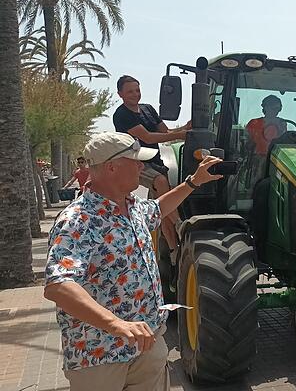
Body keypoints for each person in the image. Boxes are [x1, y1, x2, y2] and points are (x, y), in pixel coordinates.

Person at [43, 132, 222, 391]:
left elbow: (159, 209)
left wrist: (193, 182)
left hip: (147, 346)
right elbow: (59, 286)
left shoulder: (133, 207)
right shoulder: (77, 221)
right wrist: (117, 325)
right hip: (101, 356)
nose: (142, 166)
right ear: (111, 167)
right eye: (135, 160)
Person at [112, 75, 189, 261]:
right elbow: (147, 137)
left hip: (156, 161)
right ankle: (180, 225)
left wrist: (187, 127)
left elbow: (165, 132)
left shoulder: (148, 109)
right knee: (161, 181)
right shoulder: (121, 114)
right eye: (130, 91)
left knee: (160, 208)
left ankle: (173, 251)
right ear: (120, 94)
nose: (135, 94)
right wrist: (181, 134)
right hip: (136, 163)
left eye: (137, 90)